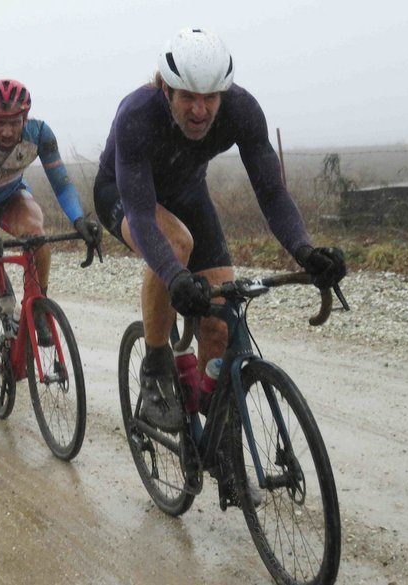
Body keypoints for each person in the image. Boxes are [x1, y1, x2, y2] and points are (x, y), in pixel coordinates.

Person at [93, 28, 346, 432]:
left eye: (210, 97)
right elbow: (142, 215)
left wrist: (305, 250)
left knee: (219, 320)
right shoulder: (137, 114)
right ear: (165, 88)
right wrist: (175, 277)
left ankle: (216, 435)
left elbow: (272, 192)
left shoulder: (241, 110)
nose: (200, 110)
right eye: (188, 97)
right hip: (124, 196)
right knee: (175, 244)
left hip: (188, 194)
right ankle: (156, 364)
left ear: (223, 93)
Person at [0, 79, 101, 413]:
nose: (7, 131)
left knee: (36, 232)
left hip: (9, 197)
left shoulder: (41, 133)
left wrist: (79, 220)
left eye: (14, 122)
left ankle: (38, 307)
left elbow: (61, 182)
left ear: (25, 117)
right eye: (0, 123)